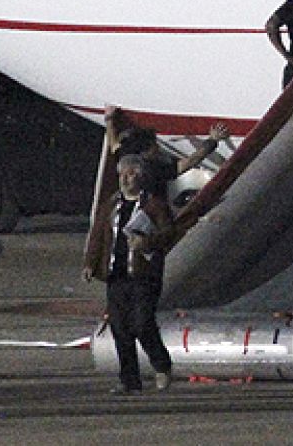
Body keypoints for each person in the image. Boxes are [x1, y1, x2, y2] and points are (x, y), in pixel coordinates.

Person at [85, 153, 176, 394]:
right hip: (117, 275)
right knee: (119, 328)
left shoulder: (154, 205)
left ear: (141, 176)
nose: (126, 179)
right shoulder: (111, 204)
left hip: (144, 276)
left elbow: (169, 234)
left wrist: (147, 243)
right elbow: (98, 235)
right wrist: (90, 263)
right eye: (122, 175)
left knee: (142, 323)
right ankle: (129, 380)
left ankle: (161, 365)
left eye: (131, 174)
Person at [104, 106, 228, 197]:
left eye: (123, 174)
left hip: (139, 133)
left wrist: (109, 118)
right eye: (130, 175)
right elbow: (191, 161)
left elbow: (113, 144)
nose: (127, 172)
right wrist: (213, 140)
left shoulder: (125, 158)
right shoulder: (157, 173)